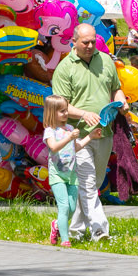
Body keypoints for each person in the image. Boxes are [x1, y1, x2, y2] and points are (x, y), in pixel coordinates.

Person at [51, 23, 128, 242]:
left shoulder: (105, 60)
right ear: (73, 41)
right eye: (85, 42)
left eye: (93, 41)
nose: (90, 45)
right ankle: (100, 232)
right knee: (86, 184)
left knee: (93, 184)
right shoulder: (65, 68)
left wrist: (121, 102)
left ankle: (71, 230)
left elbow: (116, 88)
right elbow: (61, 105)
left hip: (104, 133)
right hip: (78, 136)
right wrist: (84, 114)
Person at [43, 94, 103, 248]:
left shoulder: (69, 128)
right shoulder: (50, 131)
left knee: (70, 208)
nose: (66, 113)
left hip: (71, 175)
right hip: (57, 174)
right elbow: (54, 147)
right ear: (51, 112)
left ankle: (56, 224)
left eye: (66, 110)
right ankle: (65, 239)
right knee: (63, 207)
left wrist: (90, 136)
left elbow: (75, 148)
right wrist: (69, 137)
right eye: (62, 111)